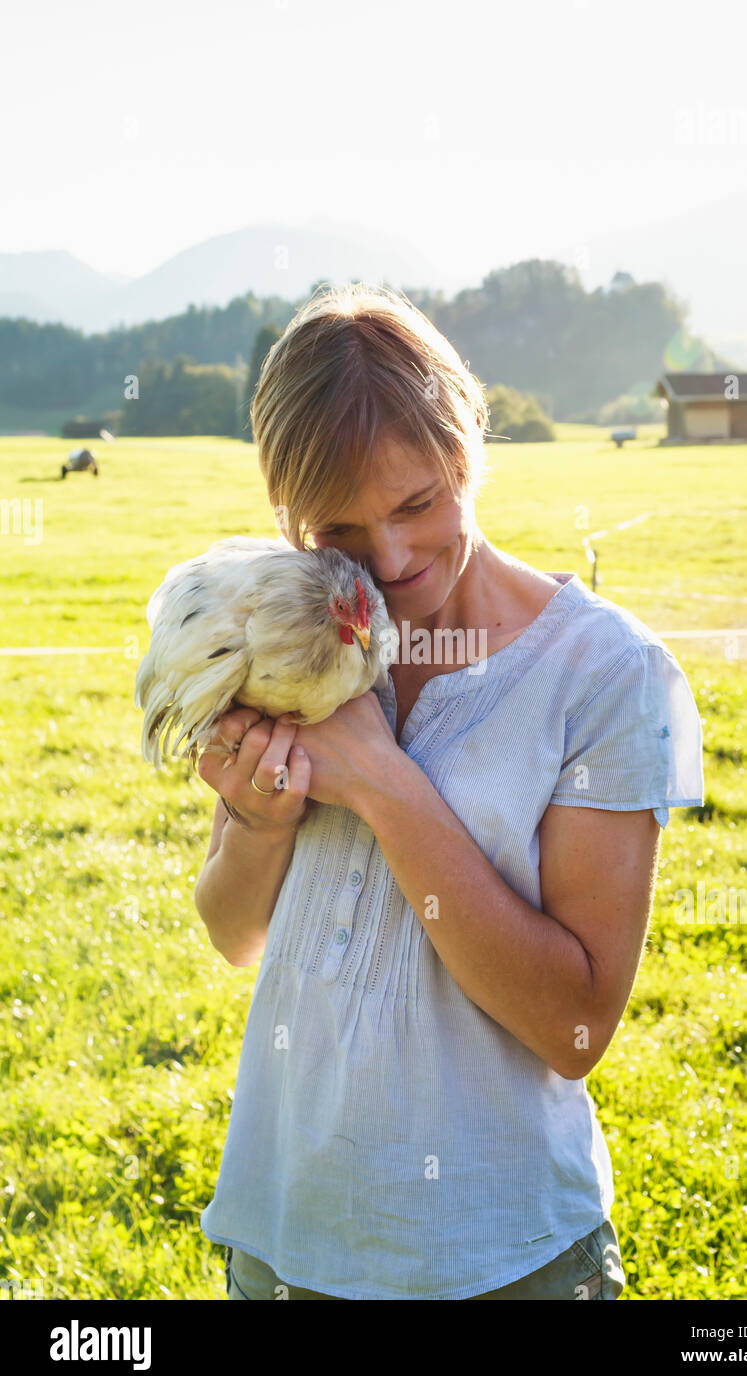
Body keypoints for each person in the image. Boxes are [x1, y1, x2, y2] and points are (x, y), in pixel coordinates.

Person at [194, 282, 704, 1300]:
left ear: (470, 441)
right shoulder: (301, 640)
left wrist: (385, 786)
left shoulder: (603, 674)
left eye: (417, 504)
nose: (386, 562)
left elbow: (573, 1028)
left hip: (495, 1257)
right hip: (283, 1238)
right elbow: (233, 933)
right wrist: (256, 822)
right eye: (335, 531)